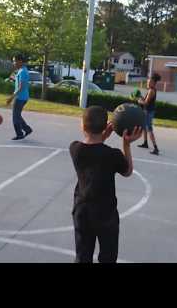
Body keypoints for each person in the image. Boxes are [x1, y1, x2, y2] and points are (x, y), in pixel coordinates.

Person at [69, 106, 142, 263]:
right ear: (106, 127)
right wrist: (126, 145)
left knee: (82, 256)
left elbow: (92, 149)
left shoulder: (75, 149)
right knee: (108, 257)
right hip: (105, 214)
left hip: (82, 212)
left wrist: (102, 137)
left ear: (82, 126)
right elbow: (127, 171)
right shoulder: (112, 155)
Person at [6, 54, 33, 140]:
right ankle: (27, 129)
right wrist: (13, 79)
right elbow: (20, 83)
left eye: (15, 61)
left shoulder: (23, 72)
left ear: (20, 61)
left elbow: (21, 87)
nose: (13, 63)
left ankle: (19, 134)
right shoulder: (22, 70)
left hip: (20, 97)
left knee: (15, 117)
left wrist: (11, 97)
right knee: (17, 115)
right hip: (22, 97)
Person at [138, 73, 161, 155]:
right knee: (144, 127)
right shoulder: (150, 90)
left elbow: (146, 103)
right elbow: (145, 100)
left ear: (153, 82)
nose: (148, 83)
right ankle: (145, 143)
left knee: (149, 129)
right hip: (147, 111)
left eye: (149, 81)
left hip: (149, 112)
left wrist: (140, 101)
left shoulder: (151, 91)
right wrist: (140, 97)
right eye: (147, 81)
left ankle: (156, 148)